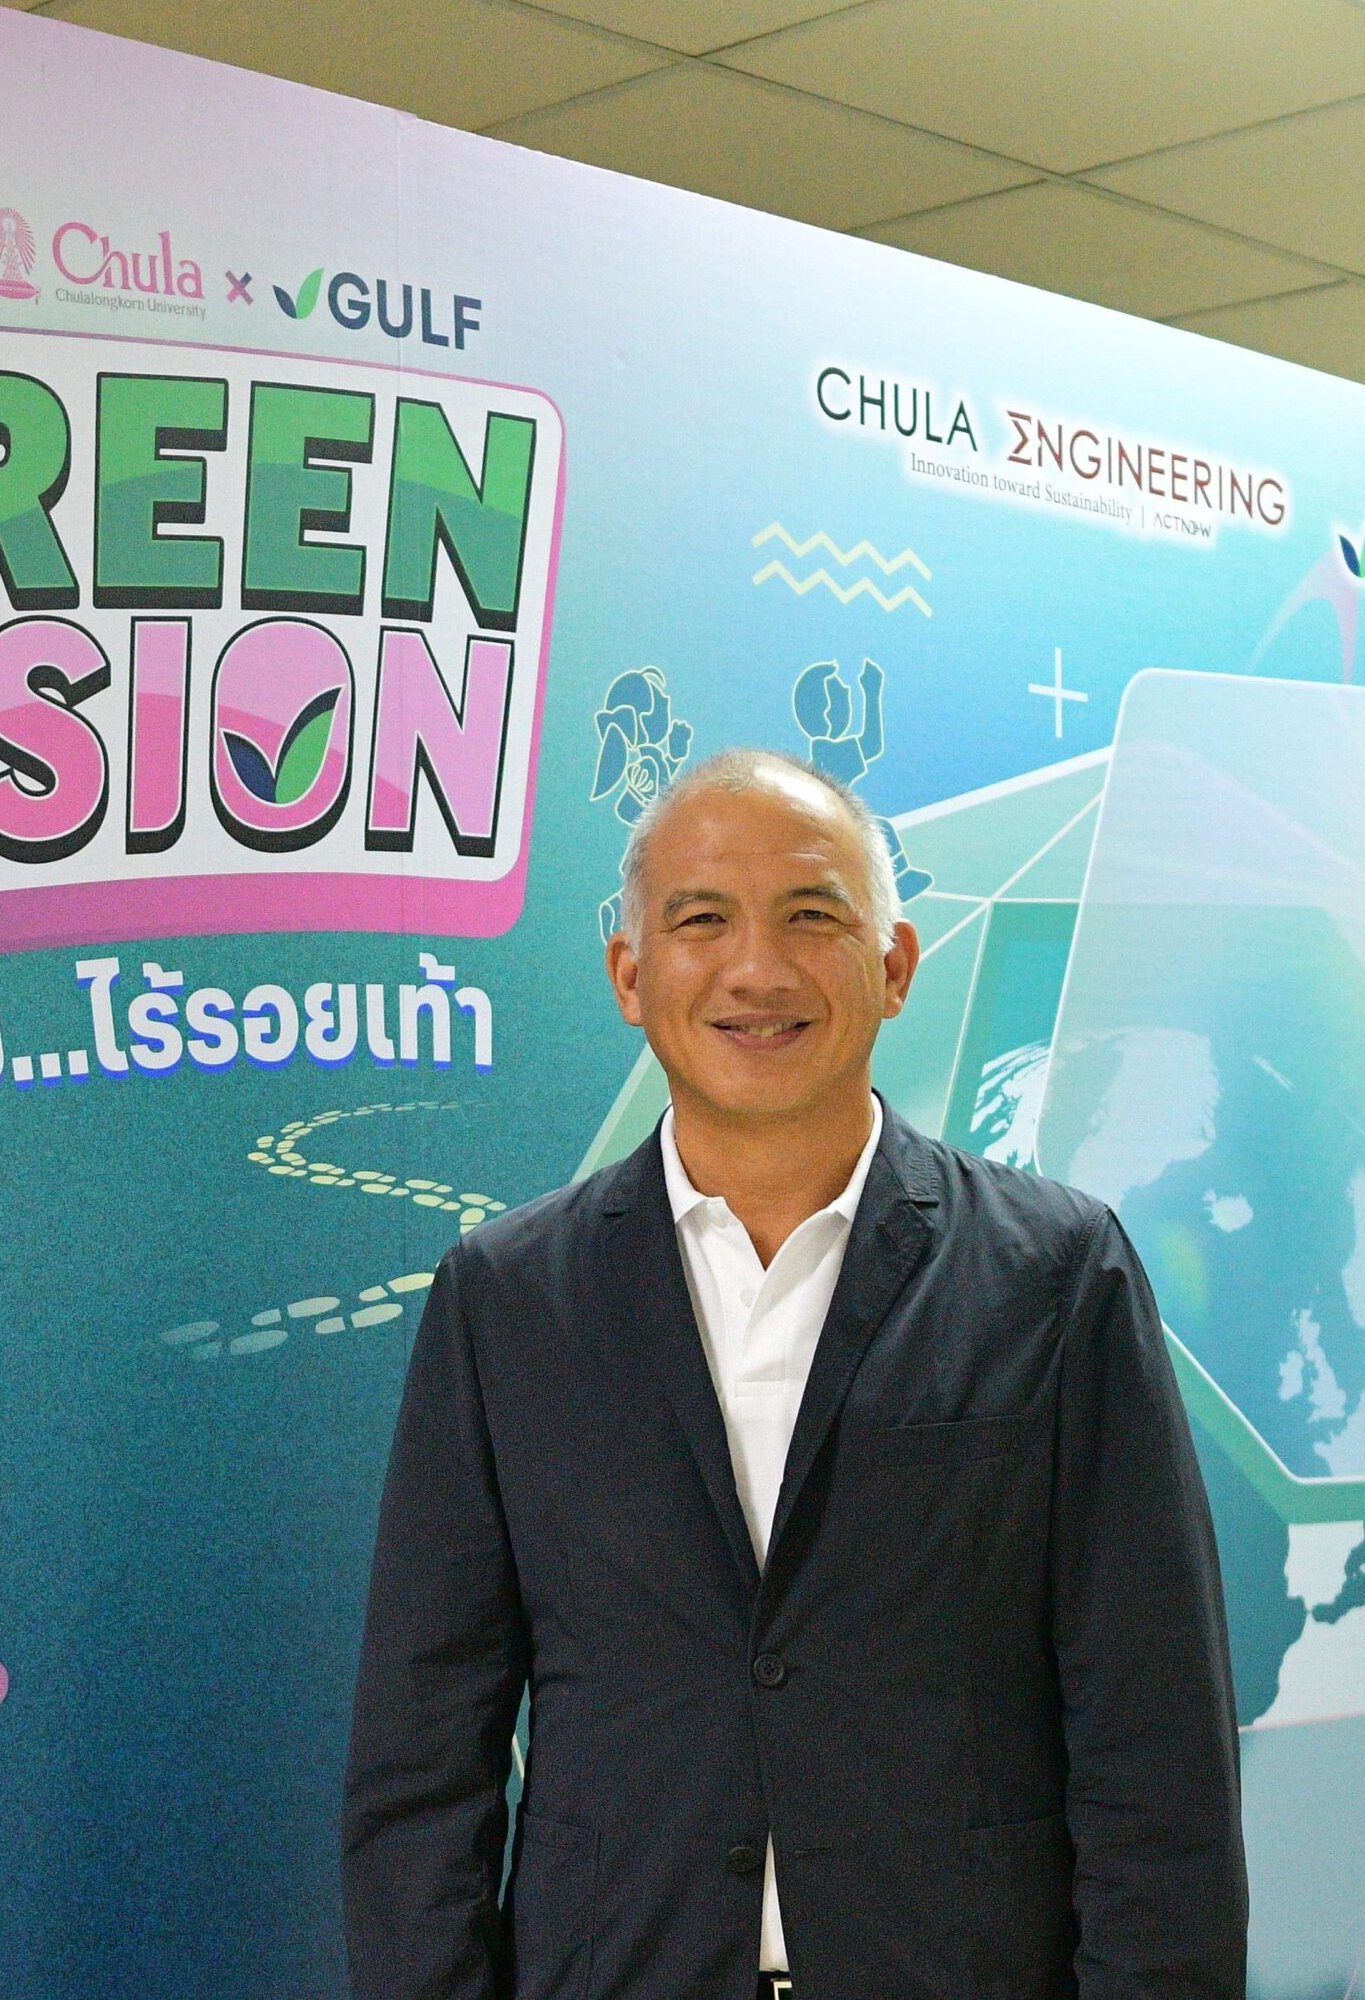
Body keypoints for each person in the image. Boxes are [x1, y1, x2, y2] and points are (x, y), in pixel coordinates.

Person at [341, 746, 1246, 2000]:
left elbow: (1156, 1744)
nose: (756, 970)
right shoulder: (506, 1299)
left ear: (895, 964)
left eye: (812, 917)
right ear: (628, 974)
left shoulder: (1053, 1276)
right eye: (701, 921)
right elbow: (422, 1756)